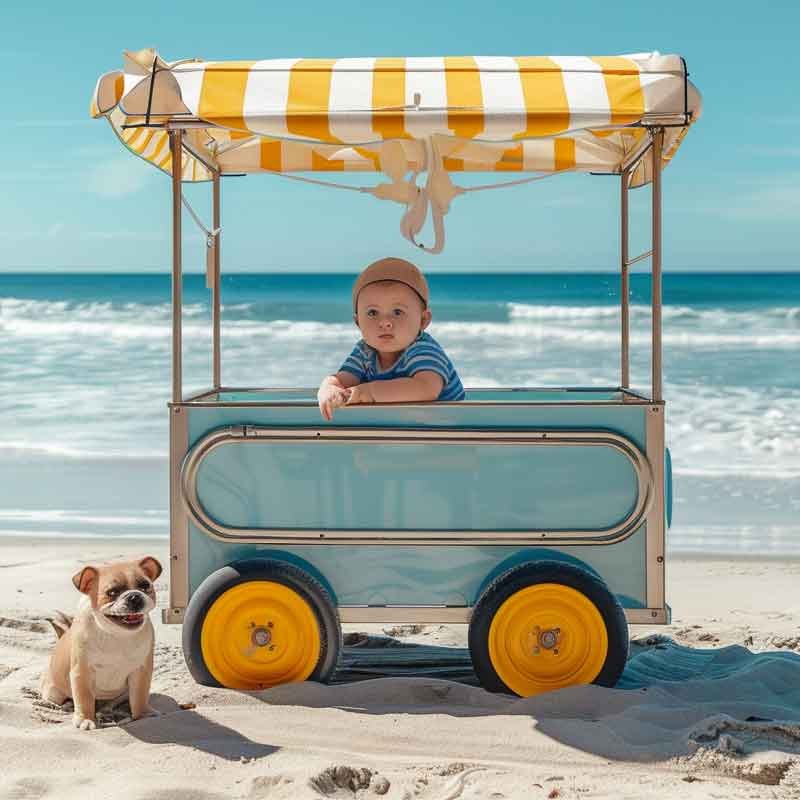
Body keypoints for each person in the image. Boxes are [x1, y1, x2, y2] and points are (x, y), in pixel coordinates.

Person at [317, 257, 465, 420]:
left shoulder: (422, 348)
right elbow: (343, 379)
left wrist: (368, 392)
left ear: (423, 321)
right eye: (373, 313)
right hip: (407, 428)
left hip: (447, 429)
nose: (385, 322)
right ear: (358, 322)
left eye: (397, 312)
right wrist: (329, 387)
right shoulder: (365, 351)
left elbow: (427, 388)